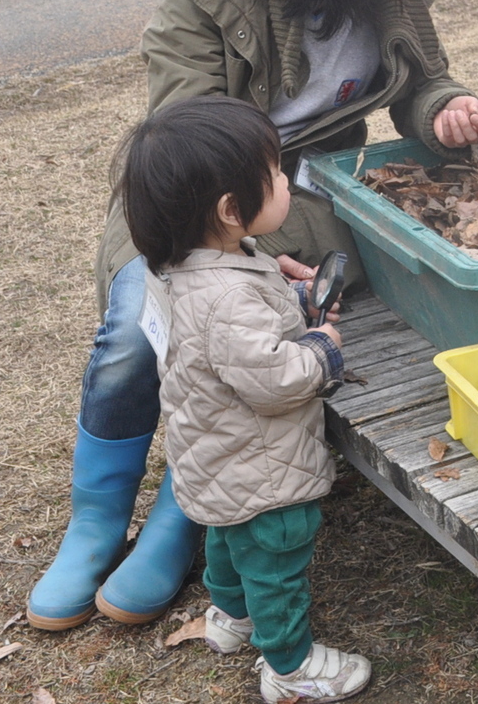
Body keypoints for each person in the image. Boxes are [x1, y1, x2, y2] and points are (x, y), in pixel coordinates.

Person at [27, 0, 478, 631]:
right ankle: (94, 522)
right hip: (193, 198)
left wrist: (444, 107)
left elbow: (426, 78)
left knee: (249, 337)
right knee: (144, 326)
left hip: (308, 199)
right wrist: (234, 255)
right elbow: (184, 145)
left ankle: (185, 510)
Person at [118, 96, 369, 702]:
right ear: (232, 210)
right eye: (277, 174)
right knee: (275, 562)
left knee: (227, 539)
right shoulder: (227, 299)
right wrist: (323, 345)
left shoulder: (183, 266)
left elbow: (225, 340)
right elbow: (273, 379)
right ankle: (291, 668)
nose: (286, 180)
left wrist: (288, 295)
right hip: (264, 468)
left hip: (213, 454)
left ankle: (230, 619)